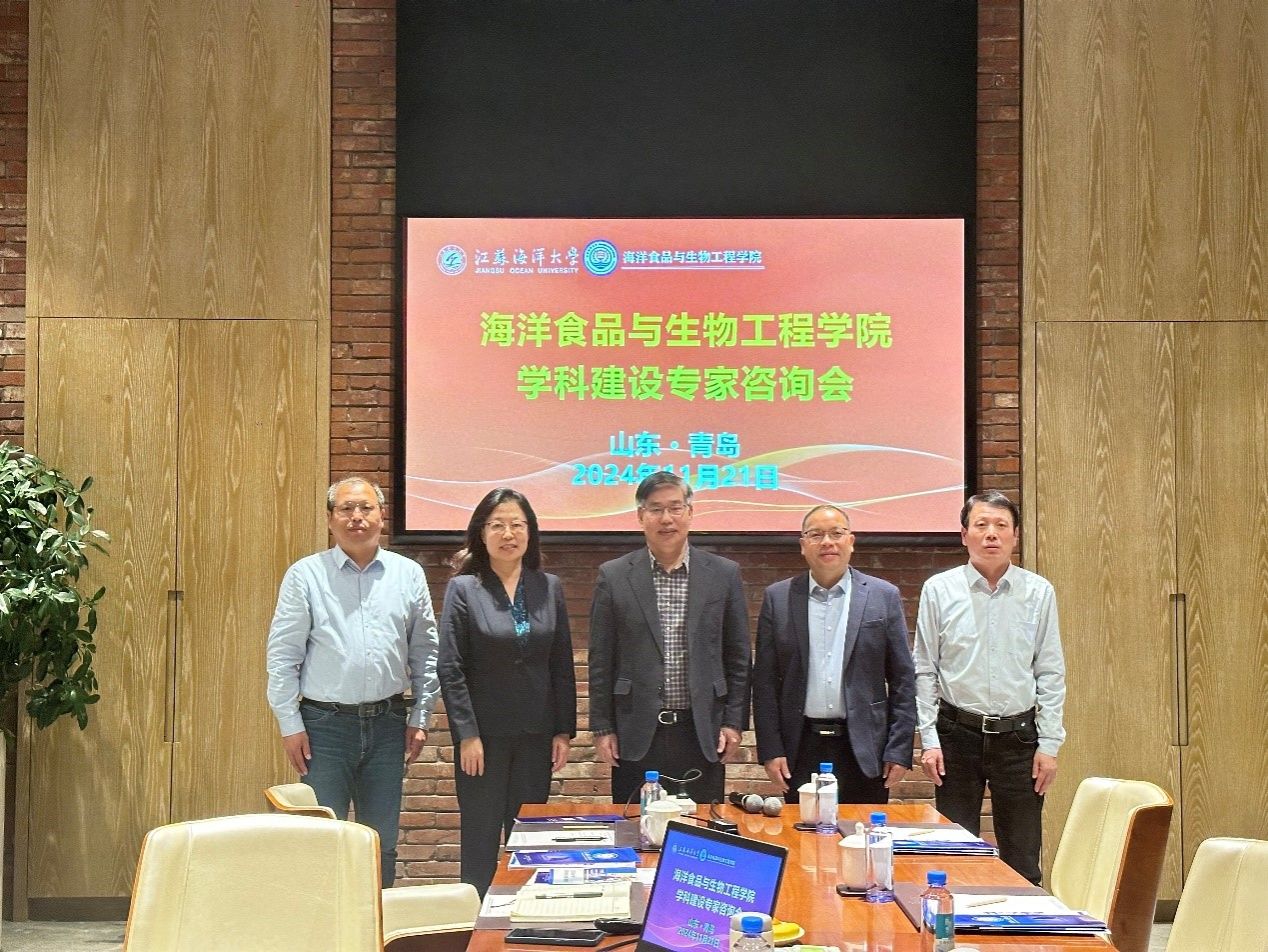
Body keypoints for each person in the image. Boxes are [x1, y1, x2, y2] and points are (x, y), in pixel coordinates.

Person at [265, 477, 439, 886]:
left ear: (382, 516)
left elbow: (425, 651)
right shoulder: (306, 575)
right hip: (324, 727)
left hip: (388, 722)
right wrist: (290, 724)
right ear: (330, 519)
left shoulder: (408, 574)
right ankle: (323, 923)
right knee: (322, 840)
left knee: (382, 842)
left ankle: (377, 920)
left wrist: (421, 716)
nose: (356, 517)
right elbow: (283, 655)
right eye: (346, 509)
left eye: (365, 508)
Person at [913, 490, 1066, 885]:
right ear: (964, 535)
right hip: (956, 735)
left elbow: (1050, 672)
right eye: (981, 525)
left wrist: (1049, 745)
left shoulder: (1038, 592)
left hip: (1019, 739)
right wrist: (929, 740)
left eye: (1001, 525)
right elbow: (925, 670)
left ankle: (1023, 923)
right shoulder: (939, 589)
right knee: (952, 854)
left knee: (1022, 857)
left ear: (1016, 535)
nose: (991, 534)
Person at [438, 488, 576, 896]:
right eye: (497, 525)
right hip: (483, 739)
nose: (508, 534)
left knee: (530, 839)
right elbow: (451, 667)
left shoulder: (548, 587)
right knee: (481, 838)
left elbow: (561, 663)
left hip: (536, 735)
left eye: (517, 524)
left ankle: (525, 918)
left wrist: (563, 730)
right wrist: (467, 734)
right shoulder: (464, 588)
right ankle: (477, 919)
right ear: (481, 534)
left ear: (530, 532)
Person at [588, 472, 750, 806]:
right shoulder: (614, 576)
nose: (666, 519)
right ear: (640, 515)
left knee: (698, 828)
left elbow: (738, 656)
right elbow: (601, 658)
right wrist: (603, 727)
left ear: (690, 512)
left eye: (675, 508)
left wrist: (734, 722)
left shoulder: (723, 574)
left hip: (701, 730)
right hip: (635, 731)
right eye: (656, 509)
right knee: (636, 827)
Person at [753, 504, 916, 804]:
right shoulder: (778, 598)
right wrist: (771, 749)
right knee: (802, 831)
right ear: (803, 545)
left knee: (864, 829)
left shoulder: (883, 596)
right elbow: (764, 682)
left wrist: (899, 749)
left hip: (866, 748)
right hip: (799, 747)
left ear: (851, 541)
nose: (827, 542)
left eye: (836, 533)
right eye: (816, 535)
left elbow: (903, 680)